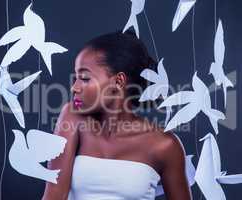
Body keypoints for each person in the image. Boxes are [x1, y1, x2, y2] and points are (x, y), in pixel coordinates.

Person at [42, 31, 192, 200]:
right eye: (76, 77)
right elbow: (54, 196)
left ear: (118, 81)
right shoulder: (72, 117)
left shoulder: (165, 146)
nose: (74, 87)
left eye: (84, 78)